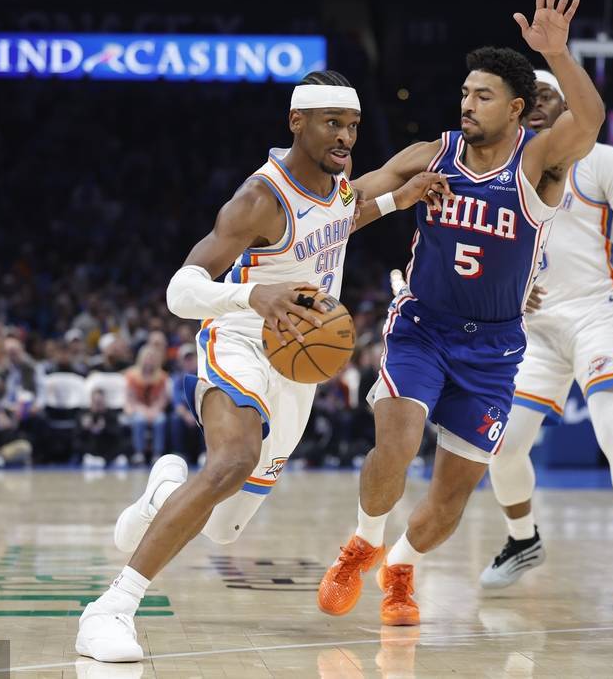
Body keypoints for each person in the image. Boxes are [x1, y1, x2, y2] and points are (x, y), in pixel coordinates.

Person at [75, 70, 447, 662]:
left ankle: (164, 492)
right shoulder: (259, 198)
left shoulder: (338, 181)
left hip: (299, 366)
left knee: (223, 528)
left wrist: (396, 200)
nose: (345, 136)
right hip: (243, 338)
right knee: (233, 459)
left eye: (353, 125)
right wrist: (253, 295)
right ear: (296, 121)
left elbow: (339, 220)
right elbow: (179, 291)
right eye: (332, 123)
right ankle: (110, 610)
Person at [318, 0, 607, 627]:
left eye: (482, 96)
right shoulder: (434, 152)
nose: (467, 104)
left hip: (495, 349)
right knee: (396, 441)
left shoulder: (538, 162)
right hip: (422, 327)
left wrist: (557, 53)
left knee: (450, 500)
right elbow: (350, 200)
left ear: (516, 108)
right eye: (465, 93)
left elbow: (590, 118)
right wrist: (314, 204)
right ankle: (363, 542)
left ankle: (400, 567)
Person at [476, 63, 613, 608]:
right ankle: (523, 540)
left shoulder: (603, 160)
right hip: (537, 329)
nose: (537, 104)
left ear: (567, 104)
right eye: (529, 98)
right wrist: (511, 293)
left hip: (598, 315)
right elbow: (491, 248)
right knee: (502, 446)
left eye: (547, 96)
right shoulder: (507, 167)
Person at [124, 345, 170, 465]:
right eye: (147, 357)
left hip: (155, 410)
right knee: (139, 420)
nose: (149, 360)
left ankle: (157, 453)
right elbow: (130, 399)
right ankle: (139, 453)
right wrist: (143, 410)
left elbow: (163, 399)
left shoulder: (162, 377)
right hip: (137, 408)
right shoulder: (131, 376)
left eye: (152, 358)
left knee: (160, 420)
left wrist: (154, 410)